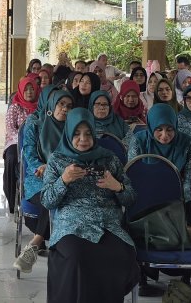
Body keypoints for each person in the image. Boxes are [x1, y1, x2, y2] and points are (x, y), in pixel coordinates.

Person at [40, 108, 139, 302]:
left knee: (121, 254)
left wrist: (117, 186)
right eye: (77, 134)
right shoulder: (57, 160)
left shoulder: (109, 159)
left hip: (108, 224)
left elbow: (131, 199)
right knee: (76, 257)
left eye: (87, 133)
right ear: (68, 133)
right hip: (71, 226)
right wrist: (63, 180)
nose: (83, 139)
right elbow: (47, 201)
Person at [13, 89, 74, 274]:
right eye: (61, 104)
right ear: (52, 104)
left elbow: (76, 154)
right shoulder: (35, 123)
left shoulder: (73, 126)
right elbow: (29, 153)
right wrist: (41, 166)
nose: (65, 109)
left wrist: (58, 168)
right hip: (38, 178)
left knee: (63, 199)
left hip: (64, 177)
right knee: (52, 198)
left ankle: (34, 245)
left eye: (69, 106)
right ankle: (40, 245)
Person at [128, 103, 191, 206]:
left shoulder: (188, 143)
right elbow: (133, 175)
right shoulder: (139, 140)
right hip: (145, 195)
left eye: (170, 129)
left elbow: (189, 179)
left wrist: (180, 204)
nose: (164, 135)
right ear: (151, 126)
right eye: (159, 129)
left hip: (177, 197)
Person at [4, 75, 41, 214]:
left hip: (36, 143)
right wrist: (23, 141)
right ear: (21, 90)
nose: (29, 92)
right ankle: (11, 197)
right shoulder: (15, 107)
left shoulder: (40, 108)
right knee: (12, 158)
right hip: (15, 142)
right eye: (26, 89)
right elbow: (10, 129)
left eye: (32, 89)